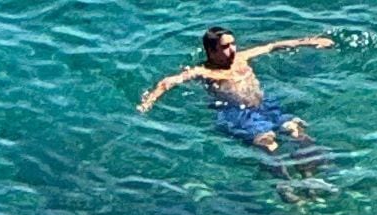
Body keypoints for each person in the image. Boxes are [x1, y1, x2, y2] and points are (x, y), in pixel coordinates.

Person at [140, 27, 332, 156]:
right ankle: (286, 184)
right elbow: (169, 82)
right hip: (238, 113)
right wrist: (149, 101)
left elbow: (272, 46)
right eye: (225, 46)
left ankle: (313, 174)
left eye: (233, 44)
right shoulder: (204, 71)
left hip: (264, 104)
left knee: (297, 132)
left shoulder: (241, 58)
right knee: (270, 145)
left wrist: (308, 42)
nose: (232, 49)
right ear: (211, 51)